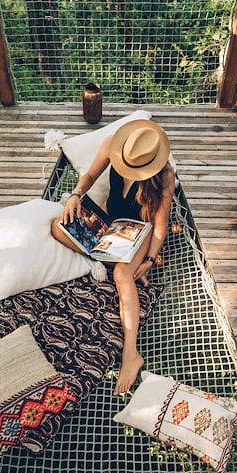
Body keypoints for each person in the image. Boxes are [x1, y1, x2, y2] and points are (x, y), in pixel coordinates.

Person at [51, 119, 175, 395]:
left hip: (138, 229)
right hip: (109, 220)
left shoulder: (166, 174)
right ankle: (106, 256)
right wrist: (75, 195)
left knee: (121, 274)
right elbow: (90, 176)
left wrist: (150, 258)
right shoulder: (113, 145)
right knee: (59, 227)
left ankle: (131, 354)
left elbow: (160, 223)